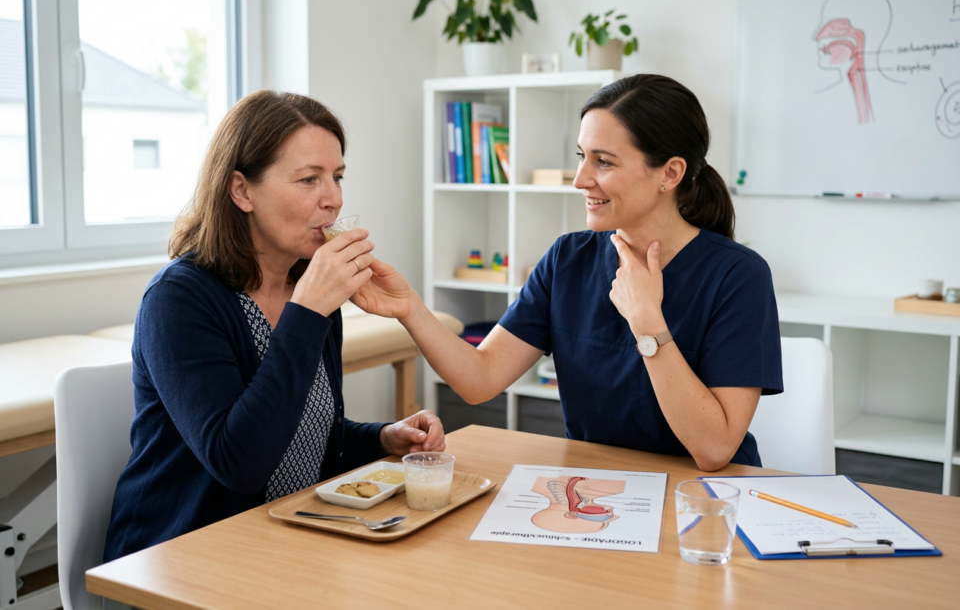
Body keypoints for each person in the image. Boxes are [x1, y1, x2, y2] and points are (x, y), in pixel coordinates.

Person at [353, 74, 781, 472]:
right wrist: (409, 308)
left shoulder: (739, 276)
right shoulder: (568, 259)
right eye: (581, 156)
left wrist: (648, 323)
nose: (580, 179)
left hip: (704, 500)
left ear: (669, 173)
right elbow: (480, 380)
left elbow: (714, 449)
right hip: (598, 488)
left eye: (604, 162)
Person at [104, 91, 444, 561]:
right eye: (309, 179)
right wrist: (305, 316)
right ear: (242, 190)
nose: (334, 200)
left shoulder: (307, 285)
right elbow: (239, 462)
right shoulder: (179, 299)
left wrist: (382, 437)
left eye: (337, 177)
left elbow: (300, 431)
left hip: (286, 540)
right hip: (180, 557)